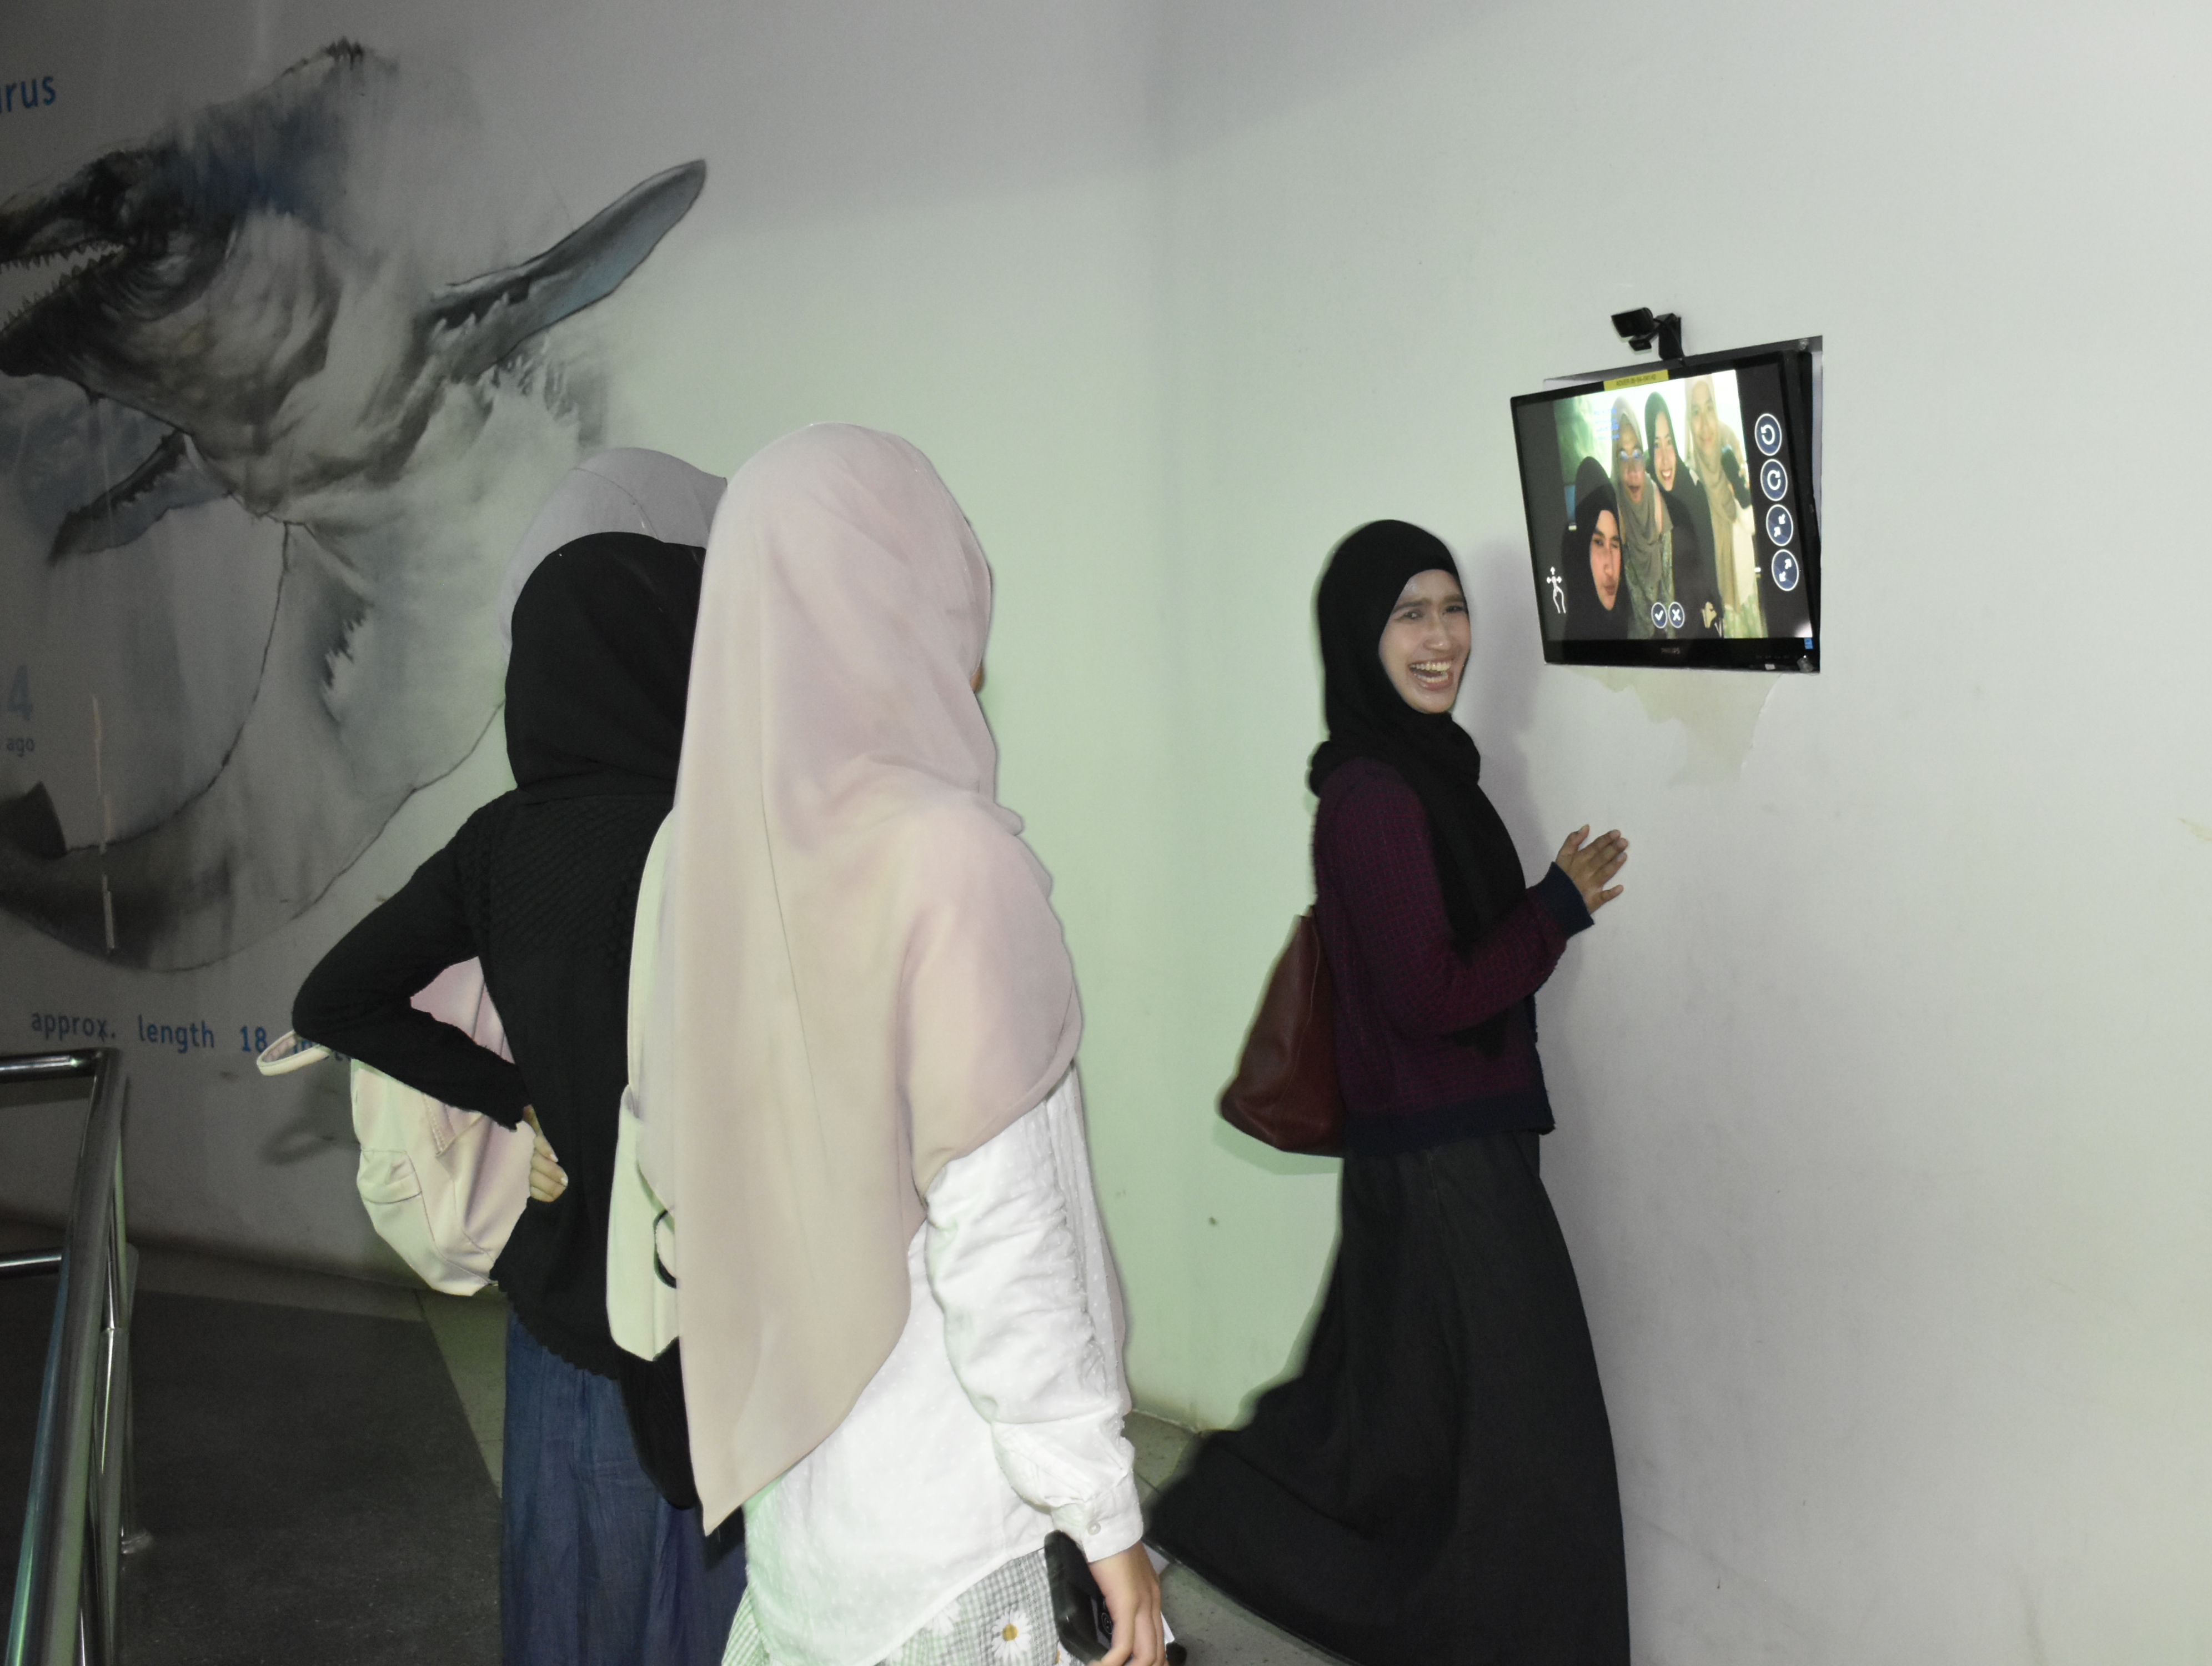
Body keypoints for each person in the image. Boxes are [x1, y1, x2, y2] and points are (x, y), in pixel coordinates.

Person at [630, 424, 1160, 1666]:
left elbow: (675, 1168)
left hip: (807, 1539)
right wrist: (1100, 1508)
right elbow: (1005, 1232)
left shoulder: (700, 862)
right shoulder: (949, 861)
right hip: (966, 1538)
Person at [1148, 519, 1633, 1665]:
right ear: (1358, 636)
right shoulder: (1372, 794)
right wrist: (1554, 908)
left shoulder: (1431, 773)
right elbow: (1431, 995)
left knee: (1382, 1429)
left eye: (1452, 608)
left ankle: (1197, 1528)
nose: (1441, 638)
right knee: (1529, 1435)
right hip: (1438, 1163)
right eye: (1409, 614)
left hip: (1439, 1147)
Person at [292, 528, 747, 1666]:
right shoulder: (720, 843)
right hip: (707, 1313)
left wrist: (516, 1098)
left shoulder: (501, 842)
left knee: (573, 1603)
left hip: (561, 1318)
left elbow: (334, 999)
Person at [1684, 376, 1760, 636]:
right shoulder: (1689, 471)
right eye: (1696, 412)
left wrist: (1738, 486)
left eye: (1710, 408)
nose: (1705, 423)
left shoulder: (1729, 443)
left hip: (1743, 587)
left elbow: (1752, 524)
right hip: (1712, 598)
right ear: (1688, 417)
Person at [1645, 392, 1719, 638]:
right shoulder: (1645, 501)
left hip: (1701, 630)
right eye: (1657, 445)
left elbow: (1710, 572)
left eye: (1669, 442)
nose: (1666, 458)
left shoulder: (1693, 492)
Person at [1609, 398, 1668, 638]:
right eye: (1623, 456)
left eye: (1637, 453)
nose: (1633, 468)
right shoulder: (1612, 506)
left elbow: (1669, 577)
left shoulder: (1656, 495)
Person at [1559, 455, 1631, 639]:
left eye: (1615, 544)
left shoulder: (1629, 624)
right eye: (1599, 543)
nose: (1610, 568)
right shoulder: (1575, 638)